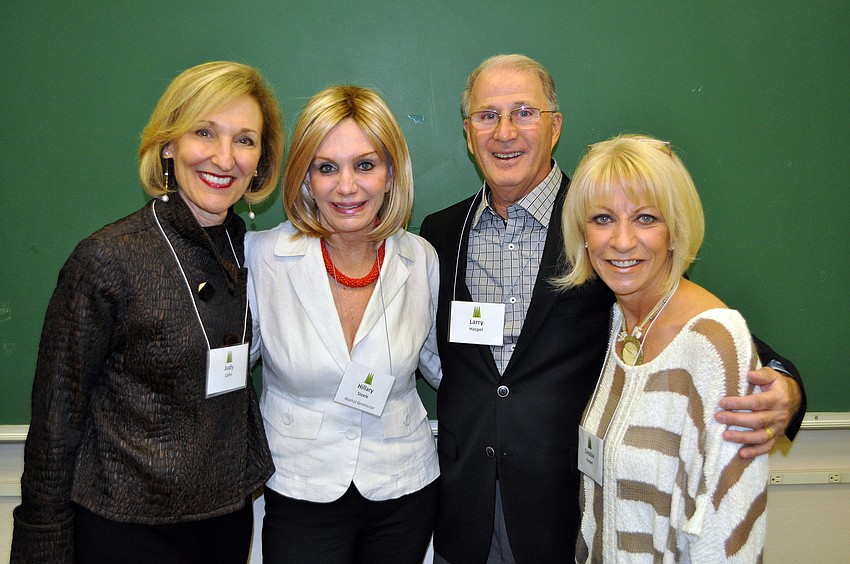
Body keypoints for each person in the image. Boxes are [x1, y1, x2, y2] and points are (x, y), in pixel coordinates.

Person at [418, 54, 805, 563]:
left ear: (555, 127)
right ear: (468, 133)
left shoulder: (603, 223)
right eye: (487, 116)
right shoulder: (441, 233)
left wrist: (785, 385)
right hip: (464, 511)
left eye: (524, 113)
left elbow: (681, 318)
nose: (504, 131)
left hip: (567, 513)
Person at [11, 61, 283, 563]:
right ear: (168, 144)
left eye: (245, 140)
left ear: (261, 159)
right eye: (205, 132)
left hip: (225, 520)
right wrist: (42, 539)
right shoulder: (108, 258)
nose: (225, 158)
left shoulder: (253, 255)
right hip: (125, 527)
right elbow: (56, 417)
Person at [245, 85, 441, 564]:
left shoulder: (421, 257)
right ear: (305, 178)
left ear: (391, 174)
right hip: (300, 487)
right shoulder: (264, 257)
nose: (347, 187)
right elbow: (226, 369)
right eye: (327, 167)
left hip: (404, 487)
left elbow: (444, 366)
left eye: (366, 165)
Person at [558, 134, 768, 561]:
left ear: (676, 229)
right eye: (602, 219)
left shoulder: (713, 341)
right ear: (582, 233)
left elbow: (729, 530)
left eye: (645, 218)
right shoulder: (619, 325)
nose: (621, 241)